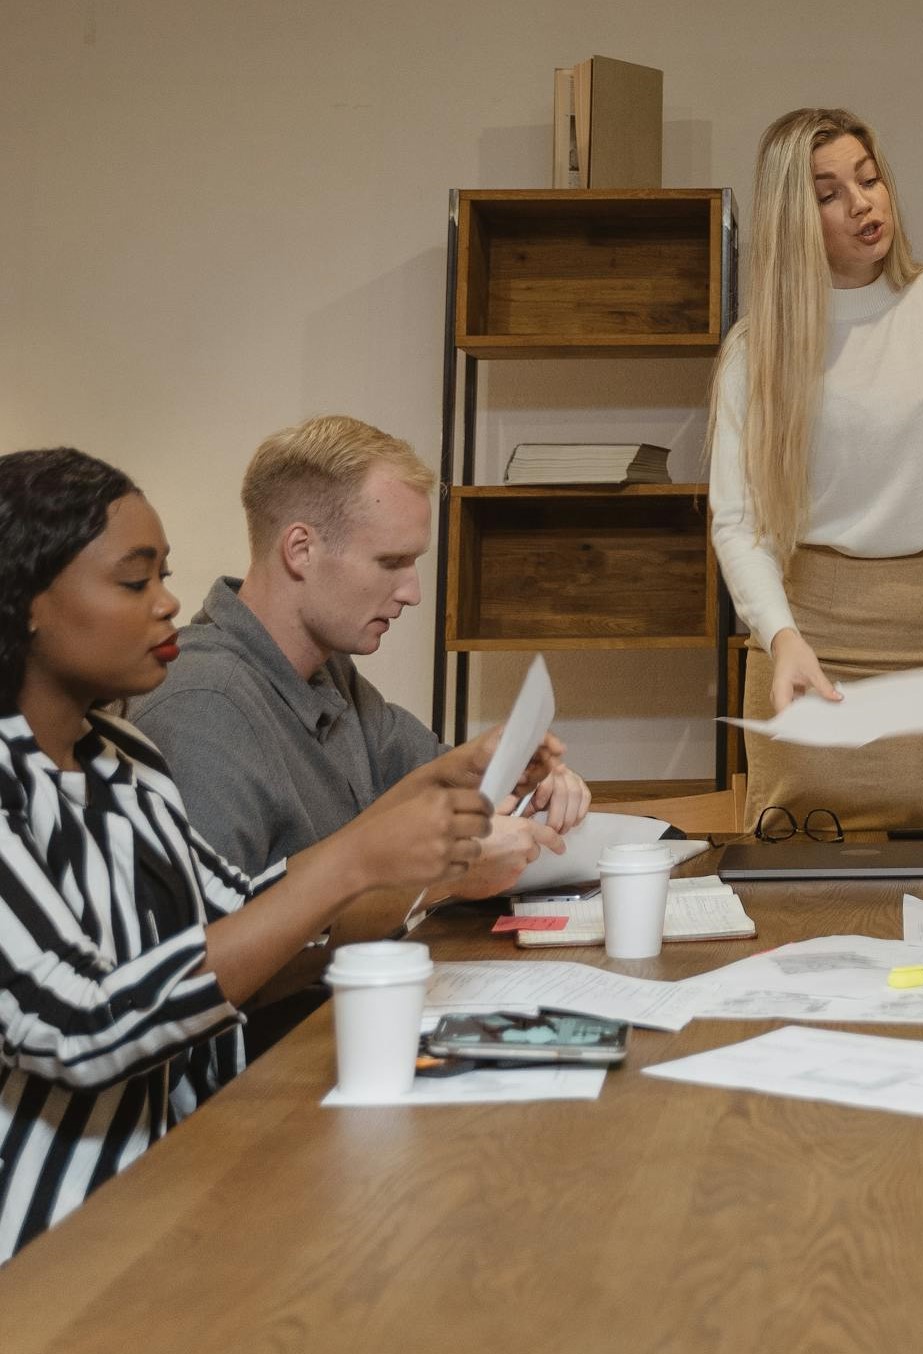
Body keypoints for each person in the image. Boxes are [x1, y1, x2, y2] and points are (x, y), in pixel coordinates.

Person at [0, 447, 546, 1261]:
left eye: (164, 576)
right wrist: (362, 862)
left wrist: (424, 798)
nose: (169, 603)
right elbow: (83, 1024)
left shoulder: (123, 757)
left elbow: (236, 913)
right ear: (30, 603)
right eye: (133, 581)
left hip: (171, 1192)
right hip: (47, 1250)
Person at [129, 416, 589, 1049]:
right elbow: (207, 979)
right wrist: (443, 879)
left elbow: (440, 798)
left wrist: (520, 780)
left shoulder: (327, 672)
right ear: (300, 550)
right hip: (262, 1084)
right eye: (391, 562)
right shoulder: (202, 707)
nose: (414, 592)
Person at [708, 107, 923, 831]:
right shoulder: (756, 351)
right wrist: (780, 635)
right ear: (790, 219)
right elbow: (738, 521)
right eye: (829, 192)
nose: (863, 203)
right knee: (795, 862)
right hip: (807, 635)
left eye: (868, 179)